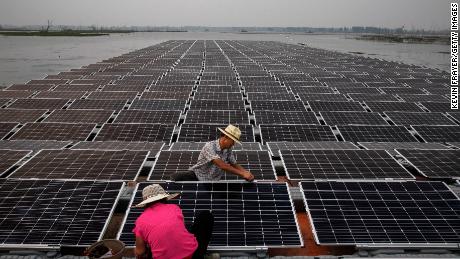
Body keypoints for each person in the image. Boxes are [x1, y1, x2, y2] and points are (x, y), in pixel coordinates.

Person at [133, 184, 214, 259]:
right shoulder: (174, 208)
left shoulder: (140, 221)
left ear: (146, 203)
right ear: (164, 198)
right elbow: (180, 227)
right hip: (194, 255)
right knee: (206, 216)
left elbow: (140, 252)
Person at [171, 124, 255, 182]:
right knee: (176, 177)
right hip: (197, 177)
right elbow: (222, 165)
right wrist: (242, 174)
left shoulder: (228, 149)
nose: (233, 144)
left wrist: (246, 173)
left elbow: (234, 163)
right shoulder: (210, 147)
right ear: (226, 137)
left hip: (212, 181)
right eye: (233, 141)